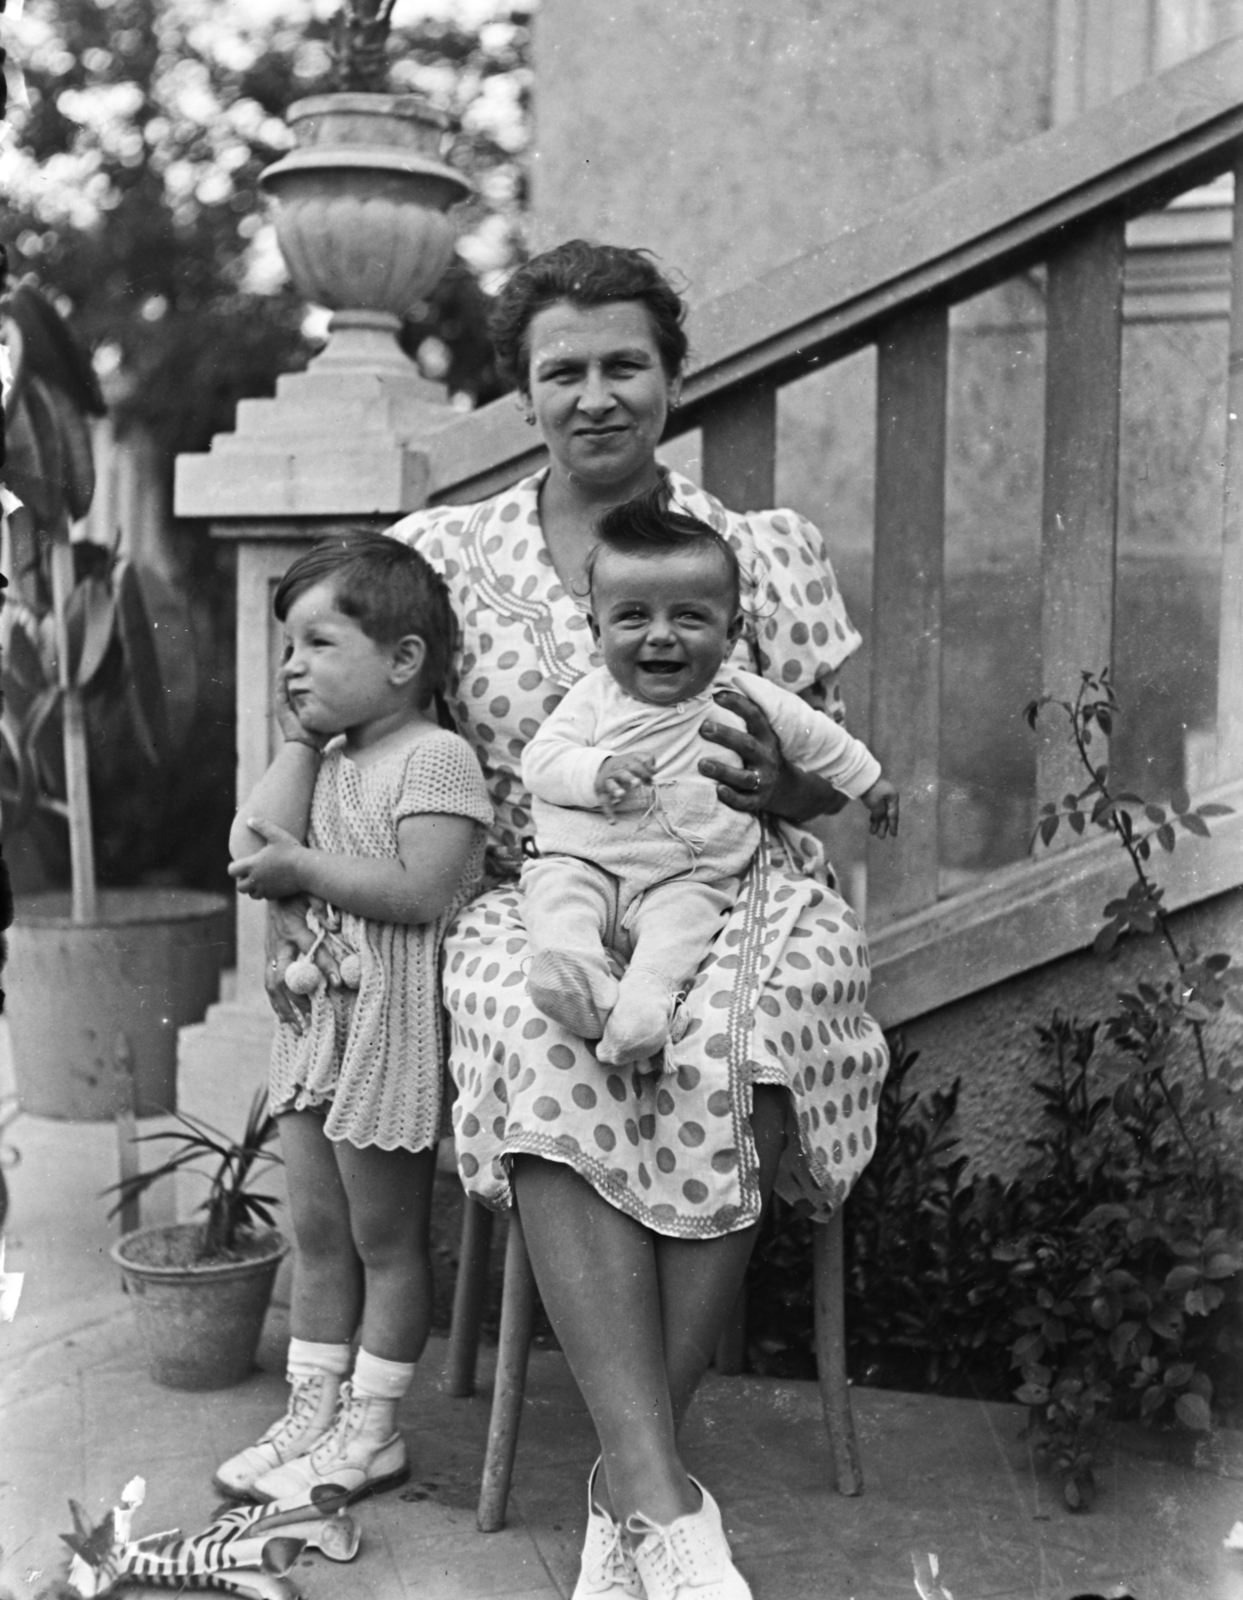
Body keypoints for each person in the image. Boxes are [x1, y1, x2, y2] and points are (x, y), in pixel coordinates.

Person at [267, 240, 893, 1600]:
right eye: (563, 371)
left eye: (624, 364)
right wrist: (301, 905)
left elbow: (829, 777)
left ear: (672, 377)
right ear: (524, 390)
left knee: (738, 1036)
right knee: (542, 1031)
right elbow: (343, 730)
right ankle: (658, 1496)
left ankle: (629, 1487)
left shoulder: (759, 550)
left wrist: (778, 784)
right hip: (530, 887)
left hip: (738, 881)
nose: (594, 395)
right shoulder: (445, 555)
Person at [220, 533, 492, 1505]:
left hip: (388, 1035)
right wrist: (299, 743)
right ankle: (313, 1412)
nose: (292, 666)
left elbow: (420, 891)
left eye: (319, 643)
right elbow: (251, 844)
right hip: (314, 1030)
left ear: (404, 658)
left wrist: (301, 870)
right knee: (318, 1231)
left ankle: (373, 1429)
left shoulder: (436, 759)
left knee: (384, 1240)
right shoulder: (328, 759)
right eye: (287, 647)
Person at [521, 485, 898, 1069]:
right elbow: (541, 762)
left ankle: (644, 1009)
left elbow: (819, 737)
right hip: (588, 859)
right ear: (597, 632)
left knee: (680, 933)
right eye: (633, 616)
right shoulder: (593, 699)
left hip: (689, 871)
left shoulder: (742, 694)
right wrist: (597, 770)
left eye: (690, 616)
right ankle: (575, 977)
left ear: (732, 631)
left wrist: (870, 783)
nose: (661, 634)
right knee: (556, 898)